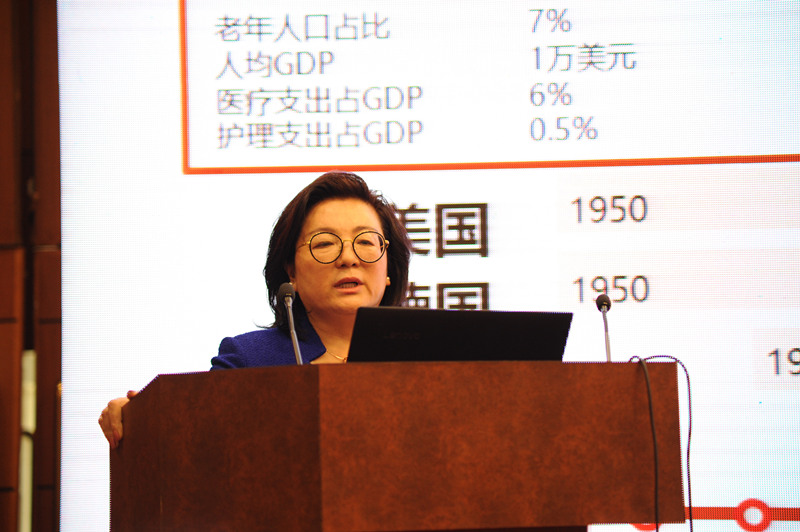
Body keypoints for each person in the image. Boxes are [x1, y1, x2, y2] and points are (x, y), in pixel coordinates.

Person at [98, 171, 412, 448]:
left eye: (366, 242)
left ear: (389, 268)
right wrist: (137, 418)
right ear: (291, 272)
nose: (348, 258)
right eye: (324, 243)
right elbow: (193, 435)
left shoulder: (428, 358)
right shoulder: (250, 361)